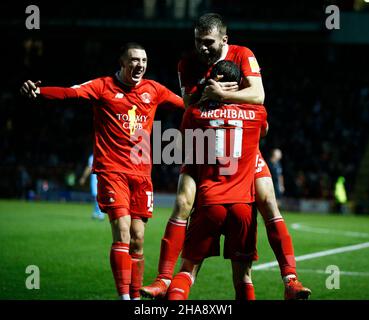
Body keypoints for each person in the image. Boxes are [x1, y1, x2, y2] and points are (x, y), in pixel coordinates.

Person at [140, 13, 311, 300]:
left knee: (269, 201)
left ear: (224, 40)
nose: (202, 48)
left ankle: (290, 279)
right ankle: (162, 280)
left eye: (208, 43)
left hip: (238, 146)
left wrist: (220, 94)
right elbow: (189, 103)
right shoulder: (187, 62)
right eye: (198, 42)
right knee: (182, 202)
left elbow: (259, 94)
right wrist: (222, 96)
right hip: (204, 144)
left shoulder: (243, 54)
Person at [20, 42, 184, 300]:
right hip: (112, 170)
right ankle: (124, 298)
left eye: (143, 60)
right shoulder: (103, 86)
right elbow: (69, 93)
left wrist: (222, 101)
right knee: (122, 231)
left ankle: (136, 298)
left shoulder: (154, 90)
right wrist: (38, 91)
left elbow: (187, 104)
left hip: (142, 174)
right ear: (122, 62)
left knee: (138, 239)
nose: (139, 65)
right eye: (134, 60)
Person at [166, 60, 266, 300]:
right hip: (243, 205)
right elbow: (263, 131)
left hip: (210, 201)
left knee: (188, 271)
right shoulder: (258, 113)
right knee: (243, 278)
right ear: (240, 83)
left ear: (215, 81)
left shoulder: (195, 113)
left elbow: (182, 145)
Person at [79, 153, 104, 220]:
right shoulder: (92, 157)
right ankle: (96, 212)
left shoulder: (104, 154)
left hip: (102, 177)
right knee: (95, 196)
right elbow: (89, 167)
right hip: (94, 178)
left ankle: (100, 213)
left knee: (98, 196)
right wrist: (84, 177)